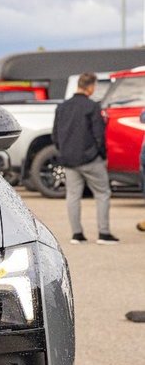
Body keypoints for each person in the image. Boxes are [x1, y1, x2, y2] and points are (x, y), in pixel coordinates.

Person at [52, 72, 118, 244]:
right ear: (90, 87)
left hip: (68, 159)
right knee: (102, 193)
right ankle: (103, 234)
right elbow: (99, 134)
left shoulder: (62, 107)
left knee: (73, 195)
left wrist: (63, 151)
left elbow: (55, 135)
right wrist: (102, 155)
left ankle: (77, 234)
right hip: (91, 159)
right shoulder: (92, 107)